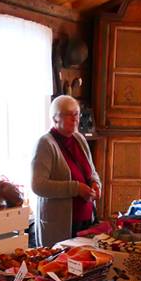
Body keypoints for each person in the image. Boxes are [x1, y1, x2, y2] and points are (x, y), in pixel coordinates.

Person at [31, 95, 101, 248]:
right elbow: (38, 185)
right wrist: (76, 188)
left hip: (85, 220)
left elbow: (92, 171)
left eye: (77, 113)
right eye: (69, 114)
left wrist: (96, 184)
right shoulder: (45, 143)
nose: (75, 118)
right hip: (59, 224)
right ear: (55, 118)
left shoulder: (79, 139)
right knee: (61, 261)